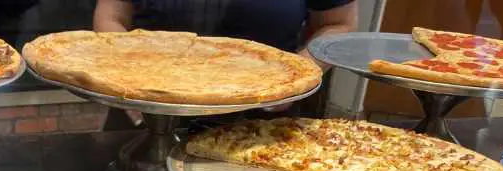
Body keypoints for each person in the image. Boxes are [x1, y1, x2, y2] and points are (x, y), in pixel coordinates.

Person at [93, 0, 359, 60]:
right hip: (146, 117)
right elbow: (111, 16)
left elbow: (339, 24)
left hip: (263, 122)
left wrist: (302, 71)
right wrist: (124, 78)